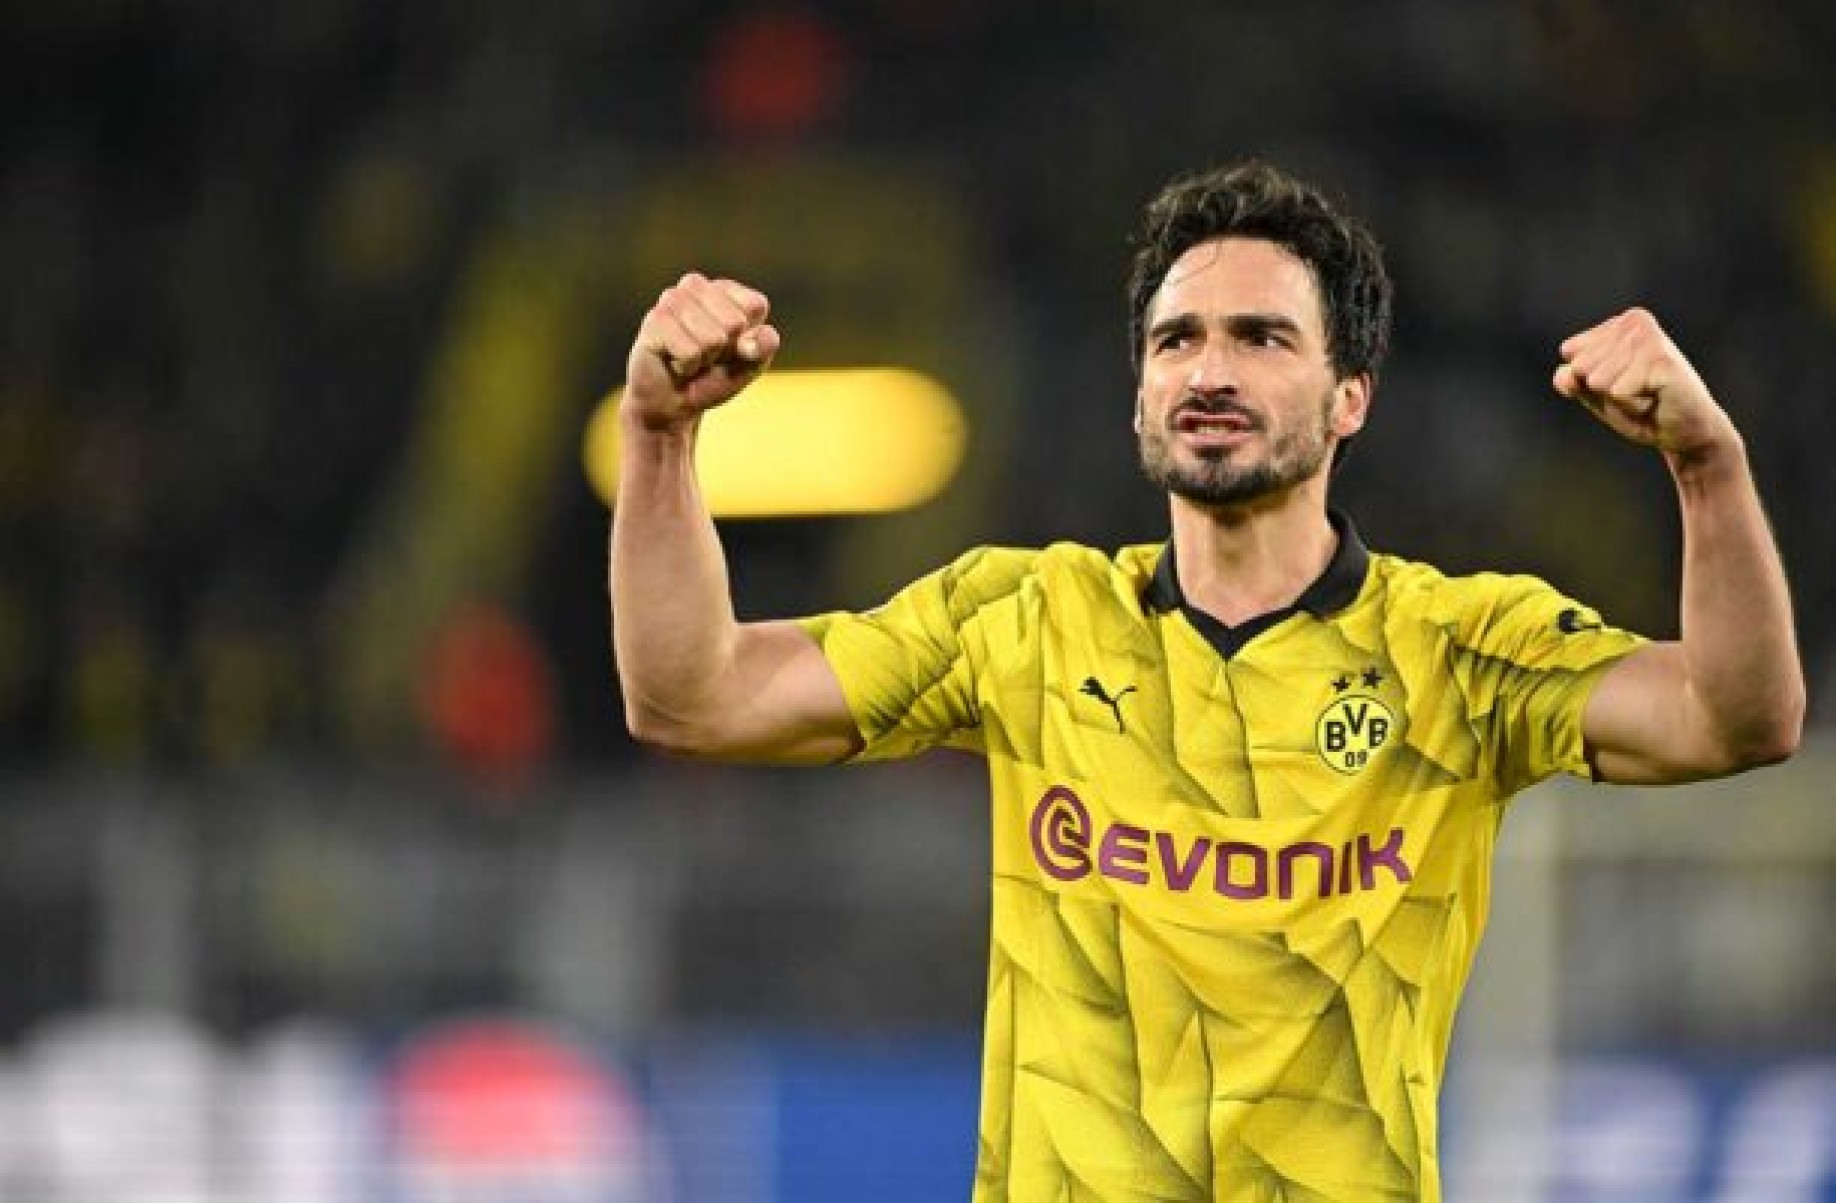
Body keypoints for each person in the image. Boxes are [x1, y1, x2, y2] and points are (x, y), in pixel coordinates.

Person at [608, 161, 1804, 1202]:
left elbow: (1737, 717)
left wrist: (1709, 466)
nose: (1208, 371)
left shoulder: (1460, 650)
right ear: (1139, 391)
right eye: (1176, 339)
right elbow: (693, 696)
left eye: (1262, 337)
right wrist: (660, 438)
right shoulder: (1024, 620)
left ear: (1352, 397)